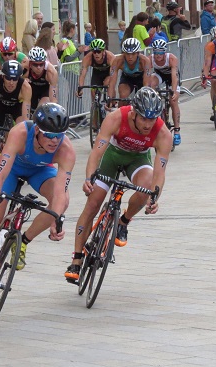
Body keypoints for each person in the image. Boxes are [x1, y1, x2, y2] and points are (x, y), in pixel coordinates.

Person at [64, 87, 171, 283]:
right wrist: (89, 178)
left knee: (146, 188)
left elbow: (159, 172)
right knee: (93, 203)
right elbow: (96, 152)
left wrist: (155, 197)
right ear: (134, 113)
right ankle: (77, 259)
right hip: (112, 156)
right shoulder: (116, 118)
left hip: (138, 159)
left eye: (152, 119)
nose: (148, 124)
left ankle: (123, 221)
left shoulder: (163, 133)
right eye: (144, 119)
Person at [0, 103, 75, 269]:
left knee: (63, 202)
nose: (54, 140)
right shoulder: (20, 132)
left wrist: (56, 219)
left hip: (40, 171)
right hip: (12, 169)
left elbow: (60, 192)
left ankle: (22, 242)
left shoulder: (66, 149)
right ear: (36, 130)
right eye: (48, 135)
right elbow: (1, 171)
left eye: (59, 135)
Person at [149, 40, 182, 146]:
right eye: (156, 52)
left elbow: (174, 75)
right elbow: (147, 75)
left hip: (172, 77)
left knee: (173, 101)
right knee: (151, 84)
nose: (158, 55)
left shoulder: (171, 58)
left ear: (164, 52)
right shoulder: (150, 59)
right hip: (160, 75)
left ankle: (177, 130)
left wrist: (174, 91)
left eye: (160, 52)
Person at [26, 47, 58, 112]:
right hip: (31, 89)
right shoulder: (25, 68)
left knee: (41, 109)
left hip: (45, 89)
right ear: (30, 64)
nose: (38, 67)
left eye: (41, 64)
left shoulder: (51, 72)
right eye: (35, 64)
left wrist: (53, 108)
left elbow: (53, 97)